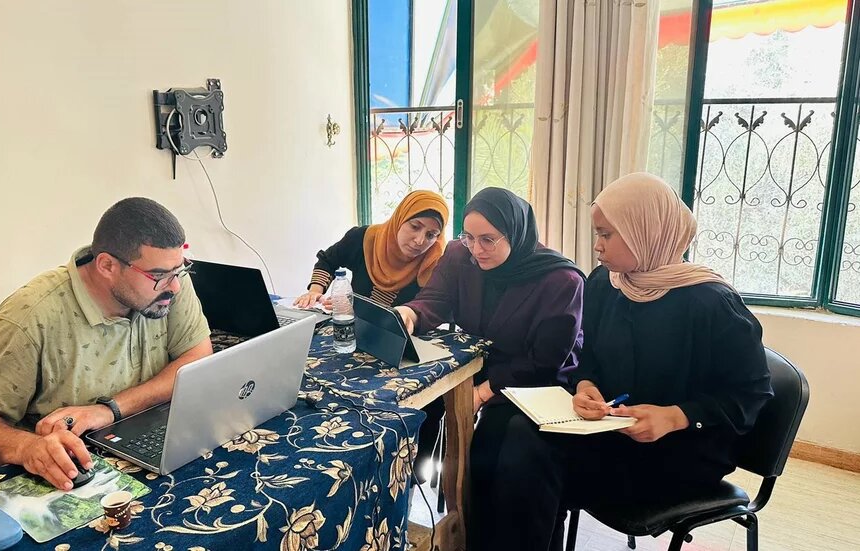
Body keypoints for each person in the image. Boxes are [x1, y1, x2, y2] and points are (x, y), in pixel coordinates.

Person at [468, 172, 774, 551]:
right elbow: (588, 356)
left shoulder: (710, 303)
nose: (597, 246)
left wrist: (675, 416)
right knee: (506, 432)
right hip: (613, 433)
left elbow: (751, 394)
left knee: (529, 457)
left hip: (678, 453)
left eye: (607, 235)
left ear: (646, 231)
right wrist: (586, 387)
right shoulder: (606, 284)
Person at [0, 198, 213, 491]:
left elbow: (198, 355)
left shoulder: (168, 284)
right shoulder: (31, 315)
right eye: (158, 276)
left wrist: (109, 410)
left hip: (137, 449)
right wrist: (27, 448)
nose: (175, 286)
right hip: (59, 478)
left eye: (180, 270)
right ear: (106, 265)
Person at [394, 187, 584, 481]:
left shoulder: (560, 280)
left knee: (490, 452)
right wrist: (411, 313)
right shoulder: (460, 254)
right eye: (468, 237)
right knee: (408, 404)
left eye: (488, 240)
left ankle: (477, 520)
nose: (476, 249)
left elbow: (545, 362)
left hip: (530, 379)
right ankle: (407, 485)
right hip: (479, 362)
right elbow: (436, 299)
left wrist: (482, 393)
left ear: (516, 233)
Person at [294, 190, 449, 309]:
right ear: (399, 219)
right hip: (353, 330)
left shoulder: (434, 263)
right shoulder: (365, 239)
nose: (420, 241)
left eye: (431, 235)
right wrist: (315, 292)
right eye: (415, 227)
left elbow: (432, 309)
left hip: (406, 340)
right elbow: (328, 260)